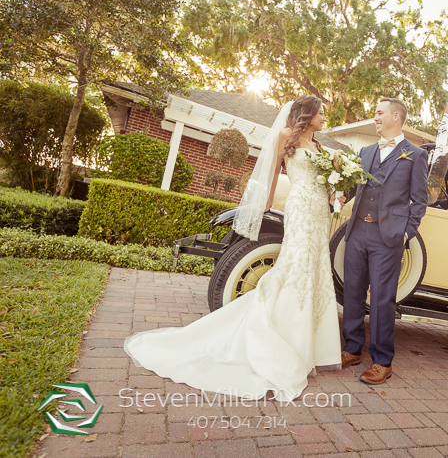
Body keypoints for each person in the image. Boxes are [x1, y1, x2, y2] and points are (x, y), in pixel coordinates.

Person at [123, 96, 341, 402]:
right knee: (297, 265)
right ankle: (287, 336)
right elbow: (269, 176)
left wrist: (335, 189)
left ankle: (315, 343)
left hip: (319, 211)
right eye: (321, 113)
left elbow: (328, 185)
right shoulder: (284, 137)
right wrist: (261, 209)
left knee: (316, 268)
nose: (324, 118)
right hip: (300, 209)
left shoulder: (319, 147)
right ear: (308, 114)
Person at [340, 98, 429, 385]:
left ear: (396, 116)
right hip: (356, 233)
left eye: (379, 114)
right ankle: (352, 349)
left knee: (381, 299)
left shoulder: (414, 155)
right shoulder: (365, 151)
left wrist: (406, 233)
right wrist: (339, 195)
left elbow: (420, 202)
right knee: (352, 291)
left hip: (387, 237)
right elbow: (352, 186)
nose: (375, 118)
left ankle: (382, 361)